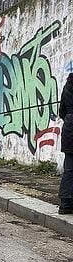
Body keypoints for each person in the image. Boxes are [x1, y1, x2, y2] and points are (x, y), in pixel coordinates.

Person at [60, 73, 73, 214]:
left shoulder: (67, 86)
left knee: (69, 168)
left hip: (69, 130)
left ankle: (66, 202)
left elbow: (61, 111)